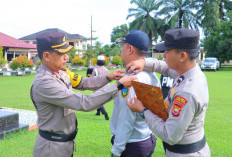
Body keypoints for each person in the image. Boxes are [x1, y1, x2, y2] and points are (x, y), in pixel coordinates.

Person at [31, 31, 136, 157]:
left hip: (64, 144)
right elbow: (84, 103)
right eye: (61, 53)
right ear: (46, 56)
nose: (66, 57)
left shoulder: (61, 72)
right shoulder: (44, 82)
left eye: (66, 52)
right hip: (52, 148)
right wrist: (118, 86)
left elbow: (84, 82)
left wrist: (108, 77)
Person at [126, 28, 211, 157]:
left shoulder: (187, 91)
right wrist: (143, 62)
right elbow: (164, 67)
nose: (163, 55)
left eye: (167, 51)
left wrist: (143, 111)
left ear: (182, 56)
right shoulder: (190, 71)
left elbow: (170, 135)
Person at [110, 30, 158, 157]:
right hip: (147, 138)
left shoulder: (131, 79)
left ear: (130, 49)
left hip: (131, 145)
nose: (121, 51)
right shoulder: (152, 75)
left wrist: (117, 150)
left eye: (123, 47)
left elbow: (126, 118)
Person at [92, 55, 109, 120]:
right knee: (99, 100)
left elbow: (91, 78)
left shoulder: (95, 69)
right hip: (105, 87)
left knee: (97, 101)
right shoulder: (106, 69)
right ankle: (98, 112)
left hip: (97, 87)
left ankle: (104, 113)